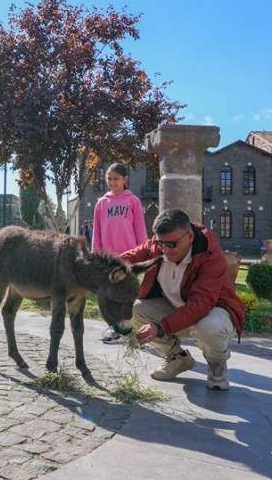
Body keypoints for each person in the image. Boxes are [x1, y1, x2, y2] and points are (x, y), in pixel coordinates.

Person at [120, 209, 246, 391]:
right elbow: (130, 257)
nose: (165, 250)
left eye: (171, 244)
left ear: (190, 237)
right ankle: (177, 358)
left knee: (210, 328)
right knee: (136, 309)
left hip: (211, 312)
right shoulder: (158, 244)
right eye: (160, 243)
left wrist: (160, 327)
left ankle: (217, 363)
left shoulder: (211, 255)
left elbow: (200, 304)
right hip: (176, 310)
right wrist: (107, 268)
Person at [92, 163, 149, 344]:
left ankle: (129, 330)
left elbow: (140, 229)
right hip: (109, 260)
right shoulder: (101, 203)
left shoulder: (133, 201)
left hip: (129, 258)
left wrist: (144, 252)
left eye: (116, 178)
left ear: (125, 179)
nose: (112, 182)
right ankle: (115, 329)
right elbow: (97, 232)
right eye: (109, 178)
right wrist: (95, 256)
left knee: (127, 297)